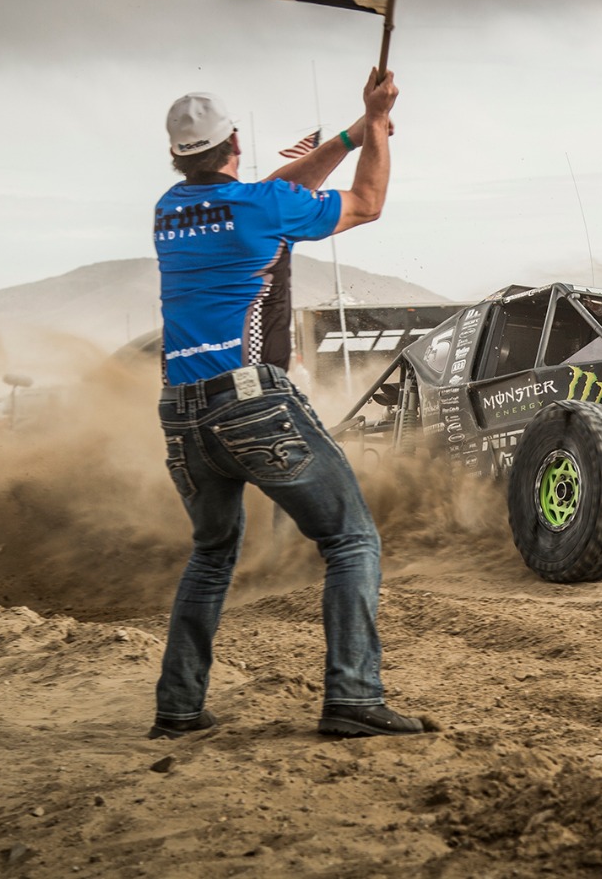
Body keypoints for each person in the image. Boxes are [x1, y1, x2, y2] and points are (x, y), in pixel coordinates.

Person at [148, 69, 428, 740]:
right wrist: (376, 136)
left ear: (177, 157)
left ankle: (179, 707)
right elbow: (367, 202)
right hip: (251, 402)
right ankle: (353, 697)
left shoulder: (166, 209)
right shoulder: (260, 207)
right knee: (352, 539)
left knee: (211, 555)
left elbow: (276, 192)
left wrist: (354, 131)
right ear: (234, 144)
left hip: (181, 414)